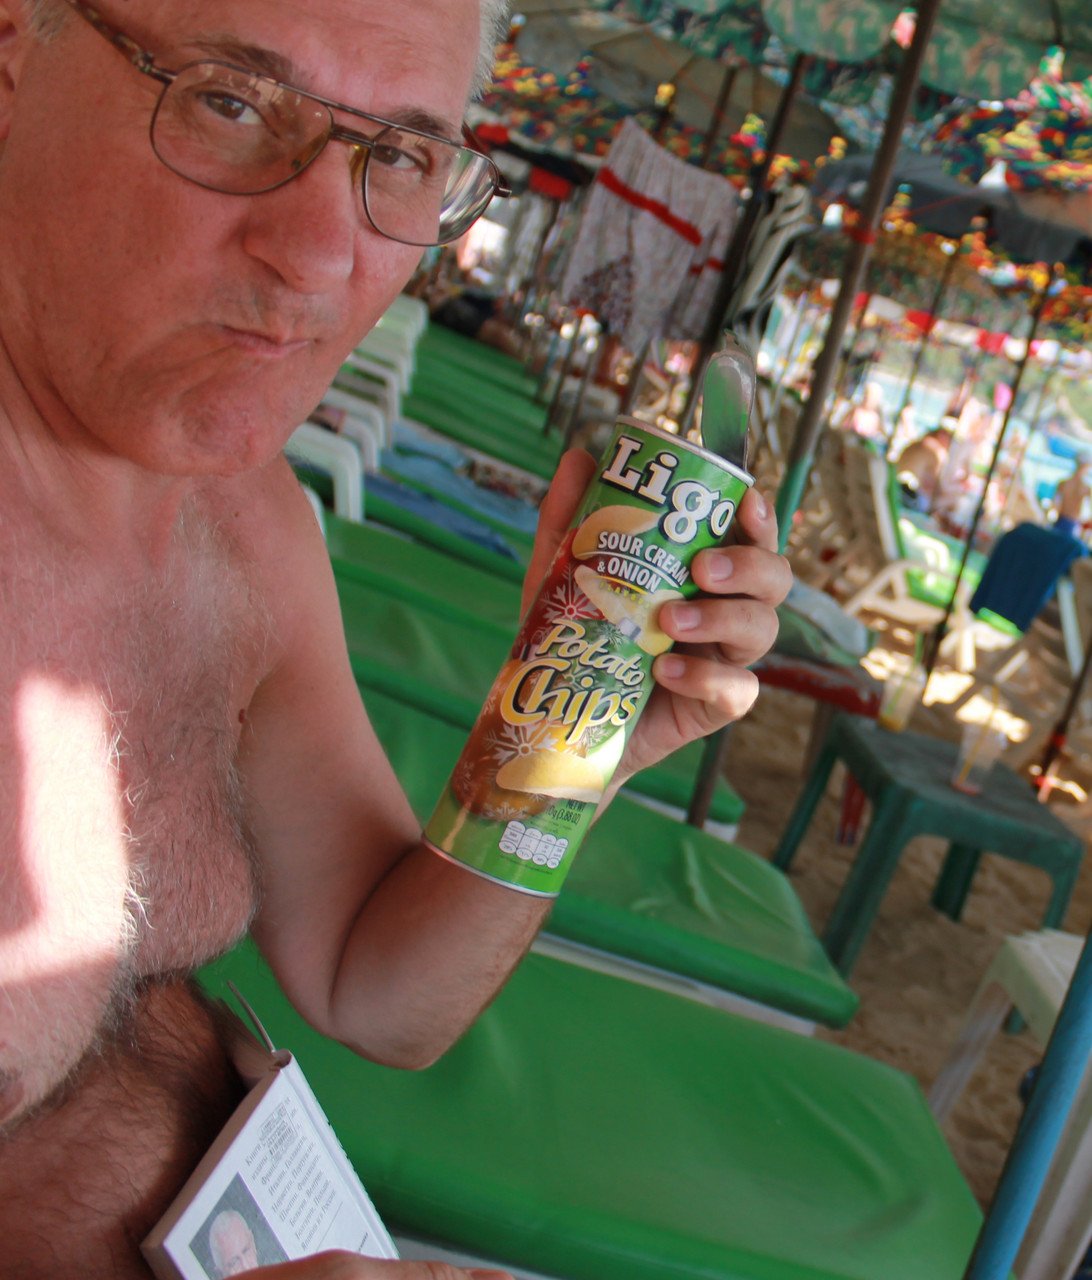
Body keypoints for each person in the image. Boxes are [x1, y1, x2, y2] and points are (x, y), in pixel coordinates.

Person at [0, 1, 790, 1276]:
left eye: (403, 156)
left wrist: (573, 743)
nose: (324, 253)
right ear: (12, 56)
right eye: (231, 100)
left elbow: (379, 988)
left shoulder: (248, 527)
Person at [895, 424, 951, 512]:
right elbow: (934, 484)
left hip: (895, 485)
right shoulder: (937, 451)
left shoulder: (918, 443)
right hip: (909, 495)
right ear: (942, 436)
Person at [1051, 455, 1092, 537]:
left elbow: (1053, 505)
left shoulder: (1063, 483)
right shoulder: (1086, 488)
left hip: (1059, 520)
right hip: (1073, 524)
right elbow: (1091, 514)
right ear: (1086, 466)